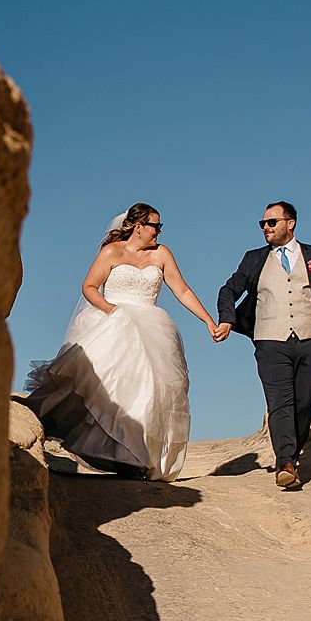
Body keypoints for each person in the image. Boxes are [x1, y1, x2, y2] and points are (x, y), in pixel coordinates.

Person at [25, 203, 229, 480]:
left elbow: (181, 289)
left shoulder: (162, 253)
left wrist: (207, 320)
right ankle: (55, 426)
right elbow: (88, 287)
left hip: (153, 325)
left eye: (160, 227)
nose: (159, 232)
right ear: (137, 226)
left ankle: (135, 457)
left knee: (152, 388)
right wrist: (112, 311)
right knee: (106, 384)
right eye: (155, 226)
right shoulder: (112, 252)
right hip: (115, 320)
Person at [214, 200, 311, 489]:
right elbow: (229, 290)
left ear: (290, 223)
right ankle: (286, 462)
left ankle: (293, 454)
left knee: (304, 403)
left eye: (271, 222)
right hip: (269, 341)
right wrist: (227, 319)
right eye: (262, 223)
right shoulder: (253, 258)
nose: (265, 227)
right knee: (280, 403)